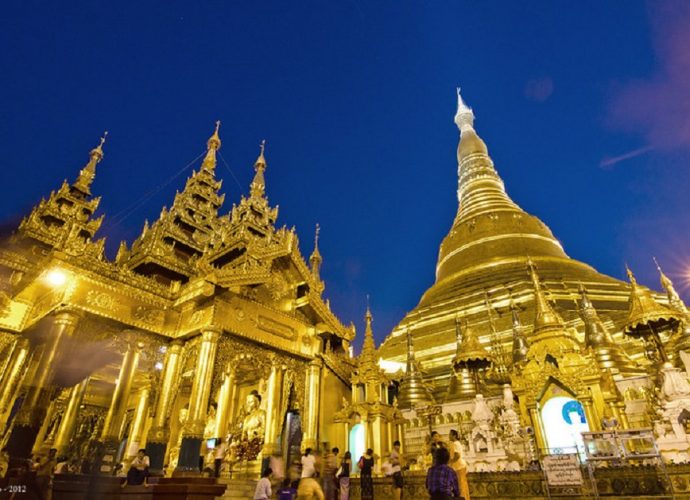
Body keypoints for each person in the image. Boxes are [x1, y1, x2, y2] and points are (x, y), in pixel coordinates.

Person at [449, 430, 470, 500]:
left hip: (459, 467)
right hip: (459, 467)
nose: (449, 436)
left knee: (461, 486)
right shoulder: (456, 443)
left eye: (450, 435)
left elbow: (457, 455)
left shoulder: (455, 444)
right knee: (462, 485)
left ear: (454, 436)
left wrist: (450, 462)